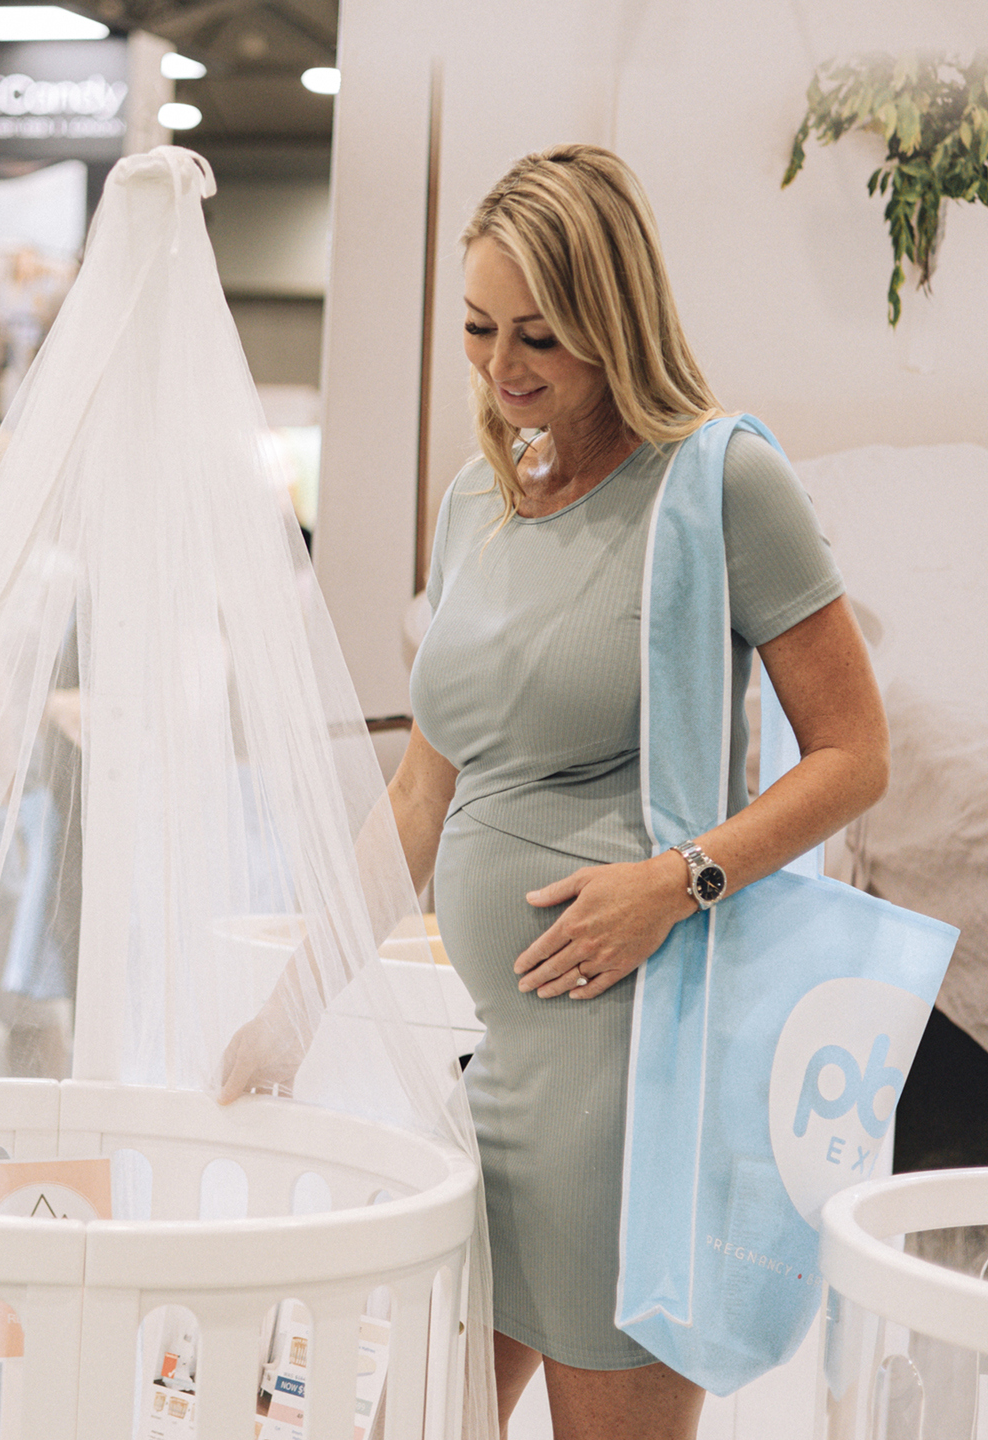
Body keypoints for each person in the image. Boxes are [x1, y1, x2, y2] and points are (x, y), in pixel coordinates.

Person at [225, 145, 889, 1440]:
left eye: (540, 334)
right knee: (404, 1417)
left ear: (615, 321)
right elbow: (422, 793)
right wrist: (292, 1006)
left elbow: (854, 755)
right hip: (497, 1064)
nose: (502, 365)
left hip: (631, 1074)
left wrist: (678, 880)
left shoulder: (722, 480)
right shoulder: (482, 500)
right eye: (478, 329)